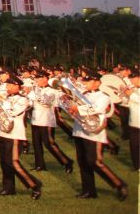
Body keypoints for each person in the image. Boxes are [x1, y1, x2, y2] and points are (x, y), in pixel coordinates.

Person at [70, 72, 127, 200]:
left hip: (93, 133)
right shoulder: (83, 94)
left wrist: (78, 109)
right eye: (85, 81)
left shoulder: (104, 96)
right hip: (80, 130)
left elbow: (97, 108)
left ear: (97, 82)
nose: (85, 84)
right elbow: (74, 107)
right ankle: (89, 191)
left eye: (88, 81)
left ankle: (119, 185)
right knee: (83, 162)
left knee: (95, 162)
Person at [0, 74, 41, 200]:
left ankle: (34, 184)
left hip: (15, 134)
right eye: (7, 84)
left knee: (13, 162)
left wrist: (2, 101)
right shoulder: (7, 97)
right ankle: (8, 188)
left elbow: (13, 112)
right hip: (3, 132)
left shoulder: (22, 100)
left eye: (9, 85)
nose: (7, 87)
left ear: (17, 86)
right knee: (4, 163)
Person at [27, 72, 73, 173]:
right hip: (35, 120)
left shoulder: (53, 90)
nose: (36, 81)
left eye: (38, 79)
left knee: (49, 144)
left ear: (44, 78)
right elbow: (29, 102)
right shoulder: (35, 90)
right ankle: (39, 165)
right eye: (36, 79)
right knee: (36, 144)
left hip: (46, 120)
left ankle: (66, 162)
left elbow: (47, 102)